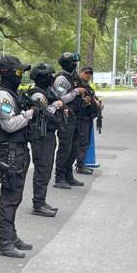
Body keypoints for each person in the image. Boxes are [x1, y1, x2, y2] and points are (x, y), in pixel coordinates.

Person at [0, 55, 34, 258]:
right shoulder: (2, 97)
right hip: (10, 151)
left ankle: (11, 236)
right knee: (9, 196)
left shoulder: (11, 95)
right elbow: (9, 124)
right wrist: (29, 114)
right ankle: (4, 241)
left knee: (15, 196)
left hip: (18, 149)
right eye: (18, 72)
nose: (21, 76)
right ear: (7, 73)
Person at [28, 63, 64, 217]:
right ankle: (38, 203)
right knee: (42, 169)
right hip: (40, 136)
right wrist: (56, 105)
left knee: (47, 168)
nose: (51, 78)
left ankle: (41, 201)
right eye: (49, 76)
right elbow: (44, 113)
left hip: (48, 135)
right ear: (42, 78)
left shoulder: (47, 92)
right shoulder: (38, 95)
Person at [53, 52, 87, 189]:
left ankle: (68, 176)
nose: (75, 64)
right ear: (67, 64)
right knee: (65, 149)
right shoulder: (61, 79)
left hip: (75, 117)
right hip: (65, 118)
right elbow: (60, 99)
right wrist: (76, 92)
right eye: (73, 62)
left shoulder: (73, 77)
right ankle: (59, 178)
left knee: (74, 148)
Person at [75, 66, 103, 175]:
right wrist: (85, 102)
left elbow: (94, 98)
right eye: (86, 73)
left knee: (84, 143)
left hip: (88, 118)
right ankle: (80, 165)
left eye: (90, 73)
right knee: (83, 143)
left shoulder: (87, 87)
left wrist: (98, 103)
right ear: (81, 72)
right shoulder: (78, 85)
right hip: (81, 119)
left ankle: (81, 164)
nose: (88, 75)